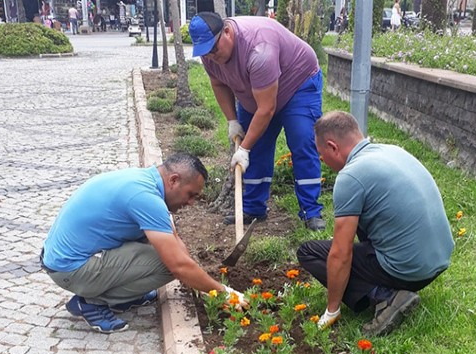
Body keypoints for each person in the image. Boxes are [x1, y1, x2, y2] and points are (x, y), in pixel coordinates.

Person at [41, 153, 248, 333]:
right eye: (190, 195)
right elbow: (178, 265)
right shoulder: (145, 198)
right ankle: (91, 302)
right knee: (167, 266)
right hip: (70, 269)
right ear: (174, 180)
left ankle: (119, 297)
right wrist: (223, 293)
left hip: (66, 259)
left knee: (166, 254)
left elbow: (175, 241)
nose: (191, 202)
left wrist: (201, 282)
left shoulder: (146, 180)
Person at [297, 111, 454, 336]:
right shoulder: (393, 151)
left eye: (322, 157)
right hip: (436, 262)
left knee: (309, 252)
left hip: (408, 271)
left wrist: (332, 310)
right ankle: (390, 285)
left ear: (333, 147)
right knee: (362, 215)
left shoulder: (350, 177)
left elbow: (340, 254)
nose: (324, 163)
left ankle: (385, 297)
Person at [188, 12, 326, 231]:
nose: (211, 56)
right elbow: (218, 84)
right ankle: (253, 209)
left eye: (213, 48)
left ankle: (311, 211)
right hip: (257, 92)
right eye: (205, 52)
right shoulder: (209, 54)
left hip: (297, 83)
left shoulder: (259, 49)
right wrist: (232, 121)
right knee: (256, 147)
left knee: (302, 141)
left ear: (226, 31)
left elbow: (267, 108)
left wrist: (243, 148)